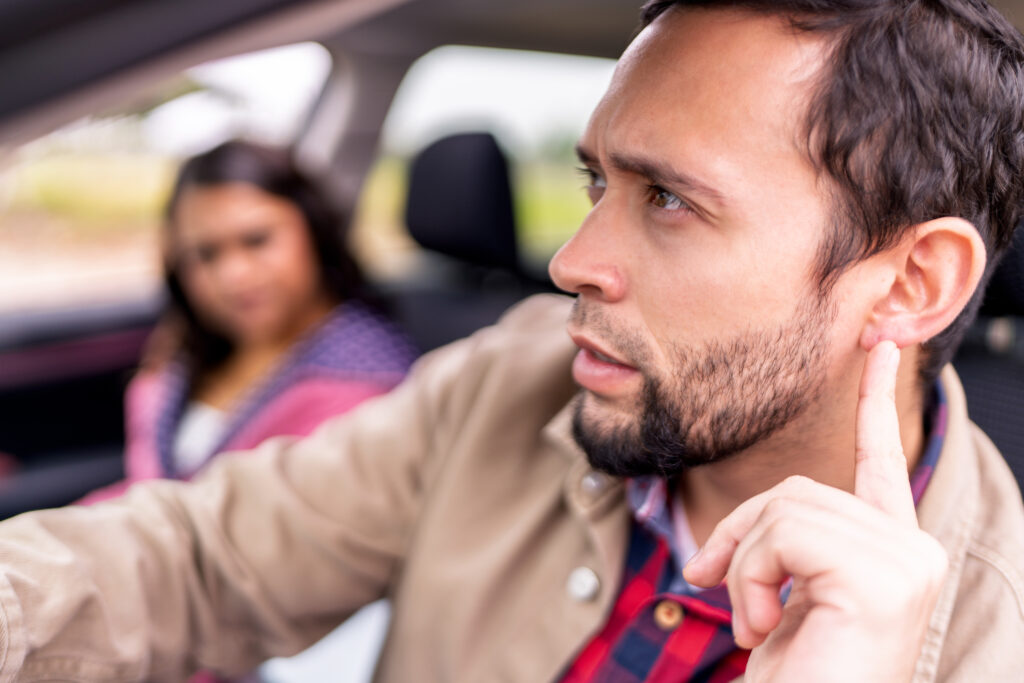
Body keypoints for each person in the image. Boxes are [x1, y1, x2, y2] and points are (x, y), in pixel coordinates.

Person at [0, 2, 1021, 681]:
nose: (571, 260)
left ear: (909, 282)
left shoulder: (992, 635)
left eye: (668, 198)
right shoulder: (518, 371)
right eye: (596, 182)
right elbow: (196, 558)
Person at [81, 140, 418, 502]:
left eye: (256, 240)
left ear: (314, 230)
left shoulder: (366, 388)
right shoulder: (189, 351)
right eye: (206, 254)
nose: (234, 275)